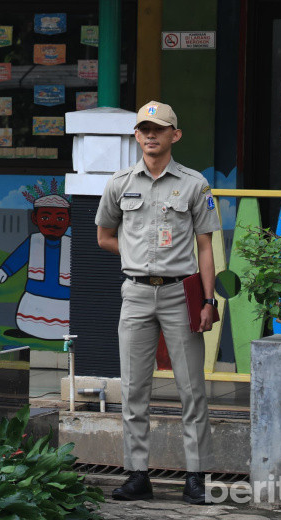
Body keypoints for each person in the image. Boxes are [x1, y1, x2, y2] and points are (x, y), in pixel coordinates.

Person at [95, 101, 219, 505]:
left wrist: (208, 299)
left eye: (159, 129)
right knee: (133, 388)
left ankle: (196, 477)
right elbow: (104, 236)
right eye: (144, 129)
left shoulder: (195, 184)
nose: (151, 135)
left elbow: (205, 246)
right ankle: (137, 475)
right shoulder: (119, 183)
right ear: (136, 135)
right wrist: (135, 257)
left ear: (174, 135)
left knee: (191, 388)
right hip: (135, 293)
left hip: (180, 293)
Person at [0, 185, 72, 339]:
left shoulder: (71, 244)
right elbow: (19, 257)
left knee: (61, 323)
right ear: (35, 219)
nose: (52, 223)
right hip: (35, 293)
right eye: (45, 218)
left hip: (63, 296)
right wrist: (5, 270)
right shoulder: (34, 241)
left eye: (60, 218)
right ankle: (29, 330)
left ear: (69, 221)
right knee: (30, 320)